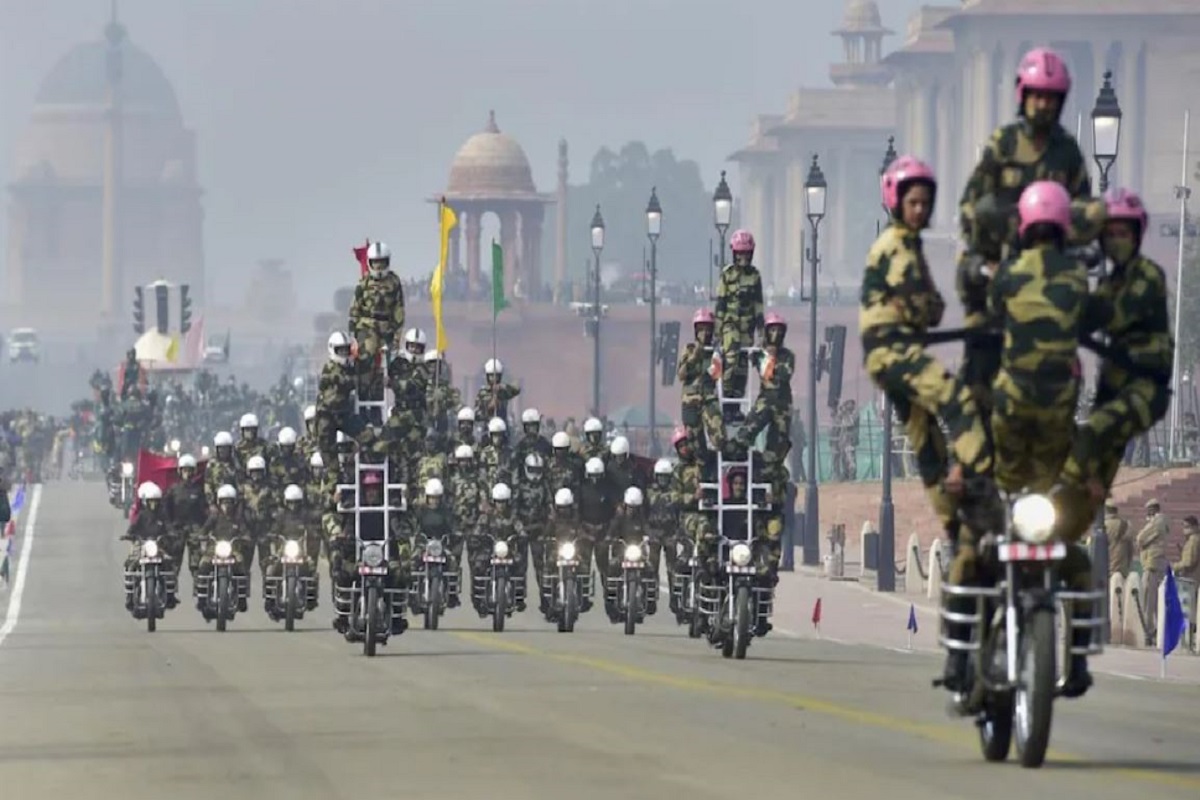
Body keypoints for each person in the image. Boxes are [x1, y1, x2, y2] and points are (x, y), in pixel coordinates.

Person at [969, 180, 1096, 696]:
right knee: (1078, 562)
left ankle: (966, 657)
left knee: (978, 550)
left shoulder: (1009, 275)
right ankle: (1079, 659)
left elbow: (991, 313)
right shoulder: (1077, 277)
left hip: (1015, 431)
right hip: (1049, 432)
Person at [860, 155, 996, 542]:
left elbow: (924, 306)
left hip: (885, 355)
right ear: (896, 202)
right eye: (913, 203)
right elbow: (925, 307)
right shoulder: (898, 246)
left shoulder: (905, 243)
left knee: (927, 442)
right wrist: (928, 307)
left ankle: (955, 527)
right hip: (895, 350)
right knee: (956, 399)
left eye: (924, 203)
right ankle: (980, 475)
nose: (920, 210)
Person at [955, 46, 1098, 414]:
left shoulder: (1067, 152)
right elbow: (971, 204)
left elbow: (1082, 204)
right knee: (980, 352)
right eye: (1037, 96)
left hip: (1051, 264)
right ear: (1023, 94)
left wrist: (1084, 241)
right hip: (999, 261)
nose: (1043, 105)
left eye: (1051, 98)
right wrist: (981, 256)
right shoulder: (1002, 144)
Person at [1056, 189, 1173, 534]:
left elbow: (1108, 314)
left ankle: (1064, 491)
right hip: (1114, 390)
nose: (1116, 241)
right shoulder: (1111, 280)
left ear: (1137, 236)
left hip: (1144, 388)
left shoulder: (1146, 276)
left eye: (1124, 233)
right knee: (1093, 478)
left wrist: (1068, 288)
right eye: (1109, 234)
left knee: (1092, 432)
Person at [714, 229, 764, 416]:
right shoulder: (727, 275)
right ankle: (727, 400)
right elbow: (721, 304)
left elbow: (758, 305)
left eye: (746, 253)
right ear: (734, 253)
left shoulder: (755, 276)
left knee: (743, 368)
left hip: (747, 327)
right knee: (732, 359)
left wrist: (761, 332)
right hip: (730, 324)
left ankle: (735, 407)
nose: (743, 257)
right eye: (740, 253)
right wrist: (717, 332)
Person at [348, 241, 406, 364]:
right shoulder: (364, 282)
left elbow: (399, 309)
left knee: (392, 361)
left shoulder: (394, 281)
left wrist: (397, 337)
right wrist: (352, 333)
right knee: (366, 358)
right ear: (370, 262)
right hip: (367, 326)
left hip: (387, 327)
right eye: (375, 262)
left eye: (382, 262)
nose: (379, 266)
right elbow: (355, 308)